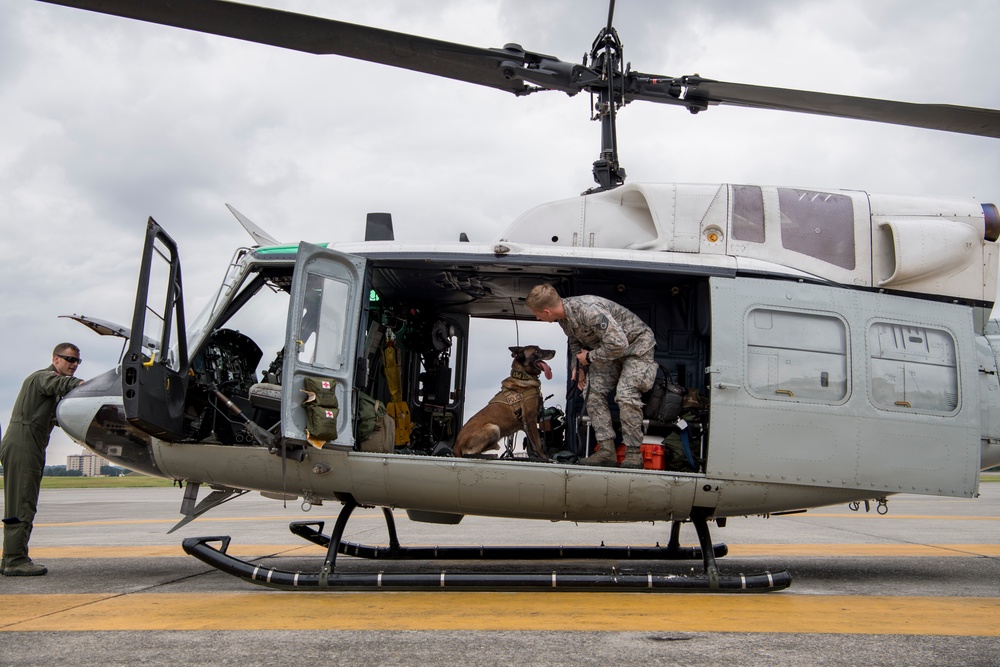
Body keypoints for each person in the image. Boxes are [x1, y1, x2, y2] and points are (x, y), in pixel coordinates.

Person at [526, 284, 656, 468]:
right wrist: (579, 366)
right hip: (609, 352)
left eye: (537, 314)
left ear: (547, 311)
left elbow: (619, 344)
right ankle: (607, 452)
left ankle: (634, 454)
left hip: (636, 348)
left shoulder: (589, 311)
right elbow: (575, 341)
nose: (537, 318)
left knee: (626, 395)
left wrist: (588, 358)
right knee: (591, 392)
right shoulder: (564, 318)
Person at [1, 343, 85, 576]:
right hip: (24, 443)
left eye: (77, 361)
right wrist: (88, 386)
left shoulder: (49, 388)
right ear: (55, 359)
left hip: (30, 444)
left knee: (22, 500)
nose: (74, 365)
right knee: (23, 501)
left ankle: (10, 557)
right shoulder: (43, 378)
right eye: (69, 359)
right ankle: (15, 560)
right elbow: (63, 384)